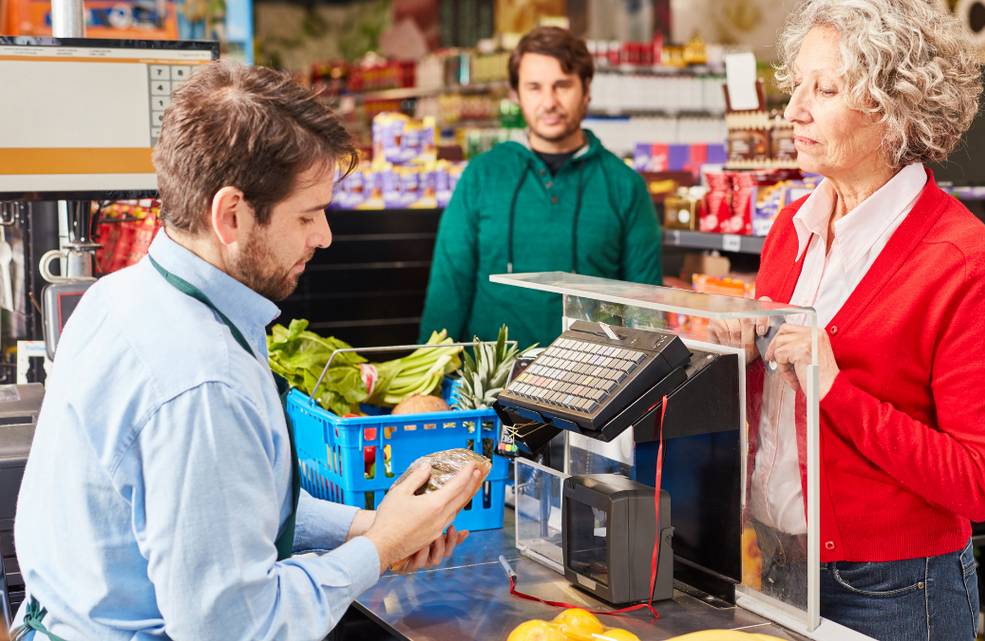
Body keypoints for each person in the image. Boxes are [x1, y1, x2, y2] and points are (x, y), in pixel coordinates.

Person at [11, 60, 482, 640]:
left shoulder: (123, 293)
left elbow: (226, 508)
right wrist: (380, 549)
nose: (324, 236)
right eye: (307, 215)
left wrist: (368, 524)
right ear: (230, 215)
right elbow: (231, 626)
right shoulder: (202, 380)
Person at [710, 1, 985, 639]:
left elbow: (984, 481)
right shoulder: (792, 228)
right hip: (771, 563)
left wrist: (835, 389)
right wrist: (737, 354)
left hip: (893, 589)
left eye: (824, 89)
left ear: (896, 109)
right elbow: (779, 409)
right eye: (796, 84)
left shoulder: (965, 263)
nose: (794, 109)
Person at [419, 26, 662, 350]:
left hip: (594, 386)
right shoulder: (480, 176)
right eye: (534, 87)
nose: (549, 102)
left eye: (562, 86)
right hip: (491, 389)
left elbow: (645, 311)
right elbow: (448, 291)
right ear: (516, 94)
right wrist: (426, 383)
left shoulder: (625, 186)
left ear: (586, 89)